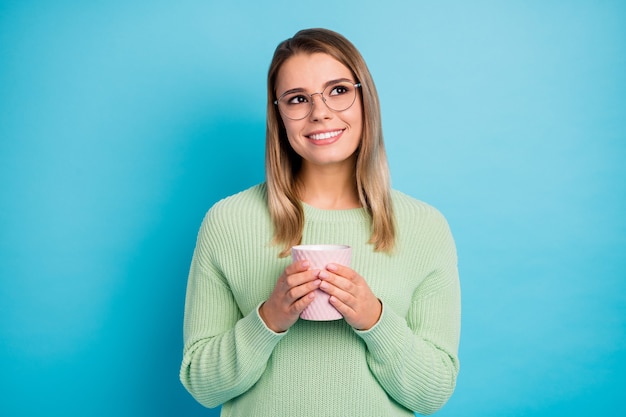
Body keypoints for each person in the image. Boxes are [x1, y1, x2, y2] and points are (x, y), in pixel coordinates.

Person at [180, 28, 461, 416]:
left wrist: (375, 319)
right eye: (298, 99)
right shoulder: (228, 222)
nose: (321, 112)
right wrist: (270, 318)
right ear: (278, 114)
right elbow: (202, 386)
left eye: (339, 90)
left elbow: (432, 395)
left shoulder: (425, 228)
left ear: (365, 98)